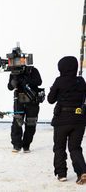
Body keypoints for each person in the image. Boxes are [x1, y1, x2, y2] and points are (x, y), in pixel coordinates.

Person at [47, 56, 86, 184]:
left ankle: (61, 174)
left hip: (62, 120)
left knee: (59, 147)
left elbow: (50, 99)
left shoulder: (59, 81)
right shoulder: (81, 81)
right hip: (79, 120)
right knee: (75, 148)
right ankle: (82, 172)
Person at [8, 65, 42, 153]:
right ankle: (16, 145)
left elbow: (39, 82)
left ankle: (26, 145)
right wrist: (13, 82)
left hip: (32, 100)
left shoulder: (32, 70)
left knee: (31, 122)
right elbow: (9, 87)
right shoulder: (14, 72)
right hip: (19, 100)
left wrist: (26, 81)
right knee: (17, 122)